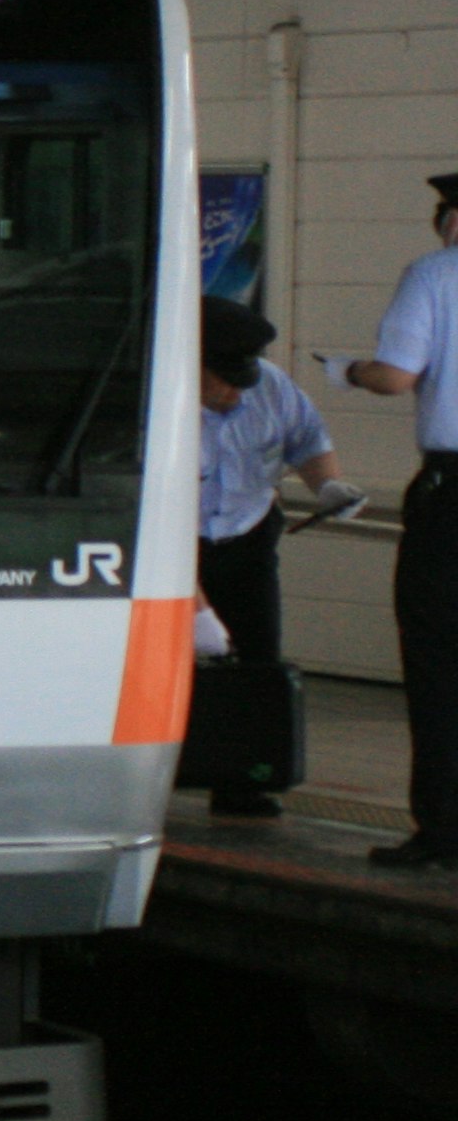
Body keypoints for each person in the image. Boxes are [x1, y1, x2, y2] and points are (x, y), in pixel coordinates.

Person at [191, 298, 357, 817]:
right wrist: (194, 607)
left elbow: (307, 442)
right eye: (224, 378)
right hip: (177, 546)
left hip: (248, 536)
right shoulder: (150, 399)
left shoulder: (271, 385)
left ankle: (243, 782)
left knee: (257, 660)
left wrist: (328, 485)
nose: (238, 390)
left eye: (244, 377)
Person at [344, 172, 458, 868]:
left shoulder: (435, 274)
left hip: (453, 494)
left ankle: (444, 830)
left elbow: (398, 375)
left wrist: (353, 370)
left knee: (439, 660)